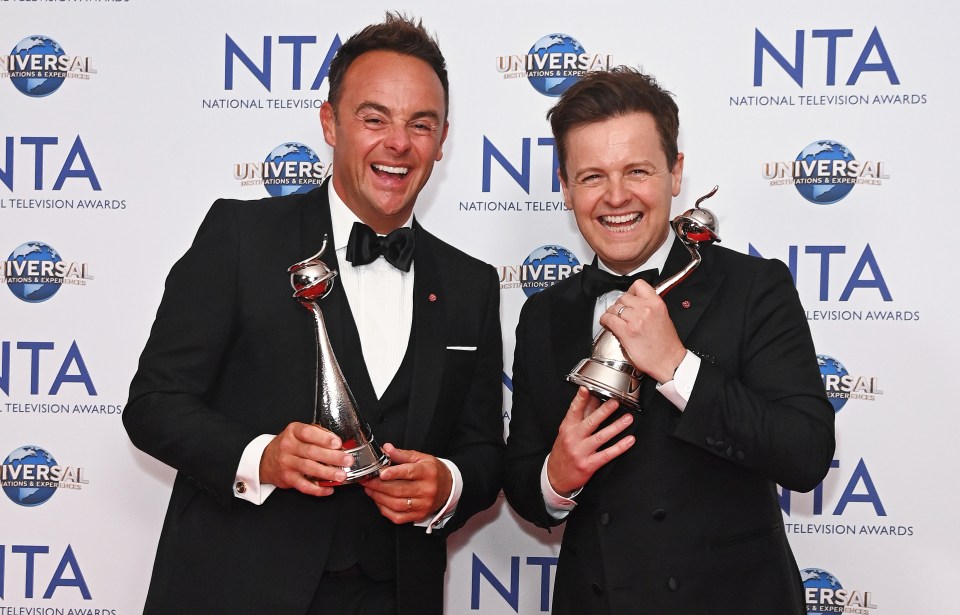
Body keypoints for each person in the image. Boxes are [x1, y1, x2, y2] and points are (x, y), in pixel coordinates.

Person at [123, 14, 503, 615]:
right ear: (330, 123)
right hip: (237, 588)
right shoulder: (241, 237)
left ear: (443, 138)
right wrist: (261, 458)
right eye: (373, 118)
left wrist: (448, 484)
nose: (398, 143)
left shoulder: (472, 284)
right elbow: (153, 405)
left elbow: (483, 448)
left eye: (420, 124)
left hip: (398, 593)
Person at [502, 66, 835, 614]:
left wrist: (678, 366)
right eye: (591, 177)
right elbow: (522, 478)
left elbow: (805, 453)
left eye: (637, 171)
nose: (616, 197)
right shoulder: (544, 313)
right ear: (565, 186)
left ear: (675, 173)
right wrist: (555, 478)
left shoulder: (753, 286)